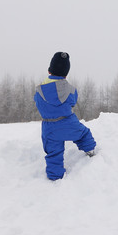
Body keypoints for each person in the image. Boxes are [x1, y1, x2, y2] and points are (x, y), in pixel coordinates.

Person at [33, 51, 97, 181]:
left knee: (53, 153)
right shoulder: (71, 89)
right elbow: (72, 102)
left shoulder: (39, 91)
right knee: (84, 134)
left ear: (49, 70)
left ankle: (55, 177)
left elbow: (38, 105)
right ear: (66, 73)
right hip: (68, 123)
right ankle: (90, 151)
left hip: (49, 127)